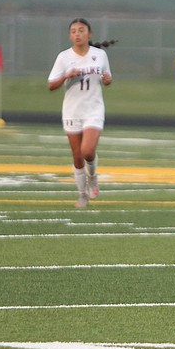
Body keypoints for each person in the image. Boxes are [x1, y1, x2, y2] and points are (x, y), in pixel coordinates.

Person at [48, 18, 116, 209]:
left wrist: (108, 79)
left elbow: (106, 79)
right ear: (70, 35)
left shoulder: (100, 55)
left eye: (81, 30)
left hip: (93, 108)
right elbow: (51, 85)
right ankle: (81, 194)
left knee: (87, 151)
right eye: (73, 31)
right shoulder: (64, 57)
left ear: (89, 33)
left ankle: (93, 177)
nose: (77, 34)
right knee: (77, 156)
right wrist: (65, 76)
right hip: (72, 110)